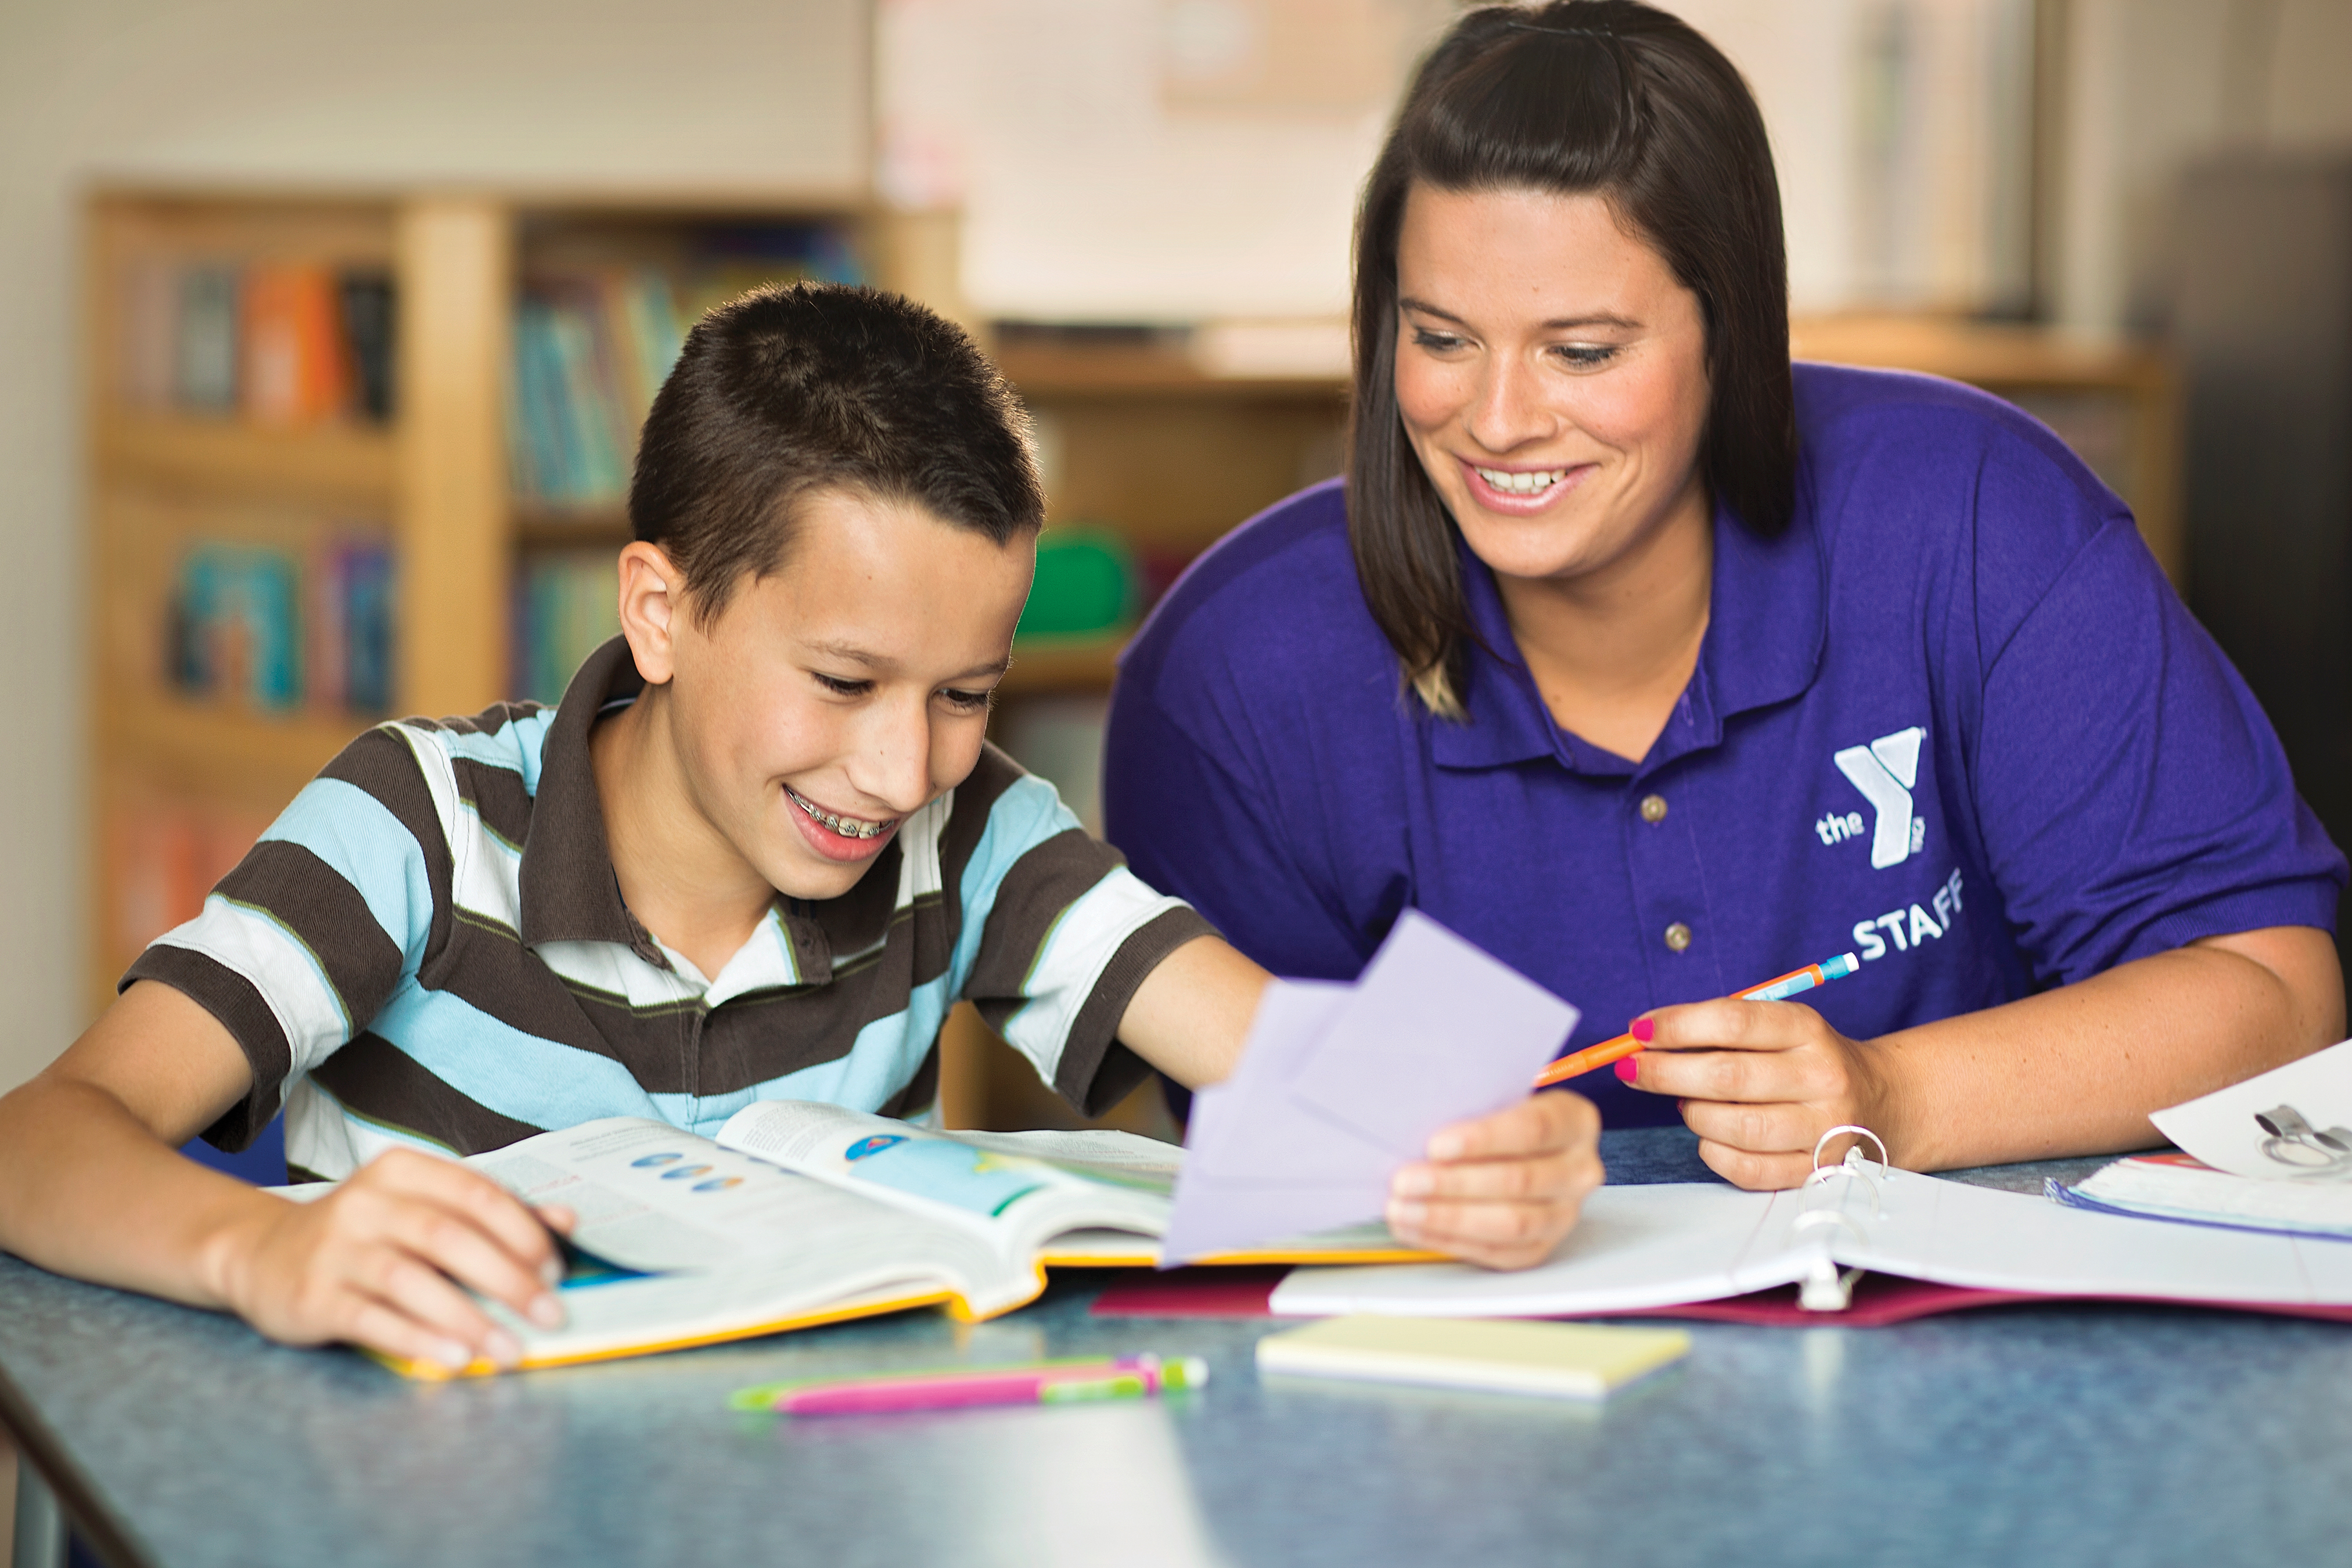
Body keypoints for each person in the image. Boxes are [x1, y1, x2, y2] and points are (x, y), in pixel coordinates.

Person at [0, 286, 1600, 1376]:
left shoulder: (969, 838)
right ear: (661, 610)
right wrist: (258, 1255)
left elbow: (1276, 1050)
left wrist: (1481, 1140)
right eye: (843, 679)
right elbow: (42, 1138)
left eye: (964, 692)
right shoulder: (416, 825)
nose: (902, 770)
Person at [1104, 0, 2347, 1192]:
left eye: (1583, 351)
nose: (1494, 421)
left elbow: (2276, 996)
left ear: (1734, 334)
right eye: (1439, 339)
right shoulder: (1233, 677)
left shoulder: (1975, 517)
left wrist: (1892, 1097)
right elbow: (1271, 1173)